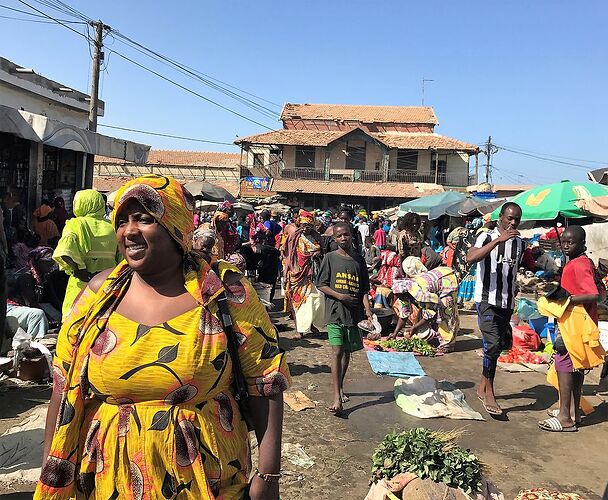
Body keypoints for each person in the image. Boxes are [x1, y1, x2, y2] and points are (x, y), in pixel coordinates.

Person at [37, 175, 290, 499]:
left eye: (144, 218)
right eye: (122, 220)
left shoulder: (223, 289)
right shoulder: (98, 295)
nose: (128, 230)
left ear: (175, 224)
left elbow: (265, 383)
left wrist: (268, 477)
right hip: (106, 482)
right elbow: (62, 389)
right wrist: (50, 476)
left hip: (208, 483)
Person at [538, 226, 604, 432]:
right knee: (575, 368)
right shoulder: (580, 262)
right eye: (564, 242)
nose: (566, 246)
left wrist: (567, 298)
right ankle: (573, 412)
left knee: (564, 366)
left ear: (582, 243)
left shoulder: (579, 265)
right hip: (578, 323)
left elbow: (593, 294)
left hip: (573, 325)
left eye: (571, 242)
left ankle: (565, 416)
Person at [466, 202, 525, 416]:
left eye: (516, 219)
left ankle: (482, 385)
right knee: (491, 344)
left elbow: (519, 268)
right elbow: (470, 257)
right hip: (486, 300)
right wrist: (498, 240)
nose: (512, 222)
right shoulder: (486, 237)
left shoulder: (520, 243)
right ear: (500, 217)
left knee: (499, 345)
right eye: (509, 218)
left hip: (506, 302)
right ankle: (490, 391)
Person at [317, 222, 372, 415]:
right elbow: (321, 284)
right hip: (335, 311)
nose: (343, 239)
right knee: (337, 351)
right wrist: (340, 296)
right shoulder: (330, 258)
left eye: (346, 235)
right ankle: (335, 398)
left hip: (354, 313)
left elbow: (364, 289)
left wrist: (368, 310)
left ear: (351, 236)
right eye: (339, 236)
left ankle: (340, 387)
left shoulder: (358, 260)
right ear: (334, 238)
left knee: (347, 352)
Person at [53, 189, 119, 317]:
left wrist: (78, 270)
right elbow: (122, 258)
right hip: (108, 285)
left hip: (82, 285)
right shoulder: (113, 227)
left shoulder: (75, 224)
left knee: (75, 323)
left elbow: (65, 251)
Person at [283, 211, 325, 337]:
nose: (306, 228)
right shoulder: (294, 238)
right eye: (303, 225)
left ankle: (311, 325)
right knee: (297, 302)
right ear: (299, 225)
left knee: (314, 301)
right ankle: (298, 330)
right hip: (297, 273)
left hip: (313, 274)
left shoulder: (317, 237)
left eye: (309, 226)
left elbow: (323, 251)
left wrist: (318, 254)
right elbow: (287, 254)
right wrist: (287, 272)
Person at [252, 231, 281, 302]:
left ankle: (265, 303)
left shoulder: (258, 248)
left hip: (264, 271)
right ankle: (268, 301)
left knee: (263, 288)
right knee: (271, 287)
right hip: (273, 270)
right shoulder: (272, 249)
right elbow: (278, 254)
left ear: (258, 240)